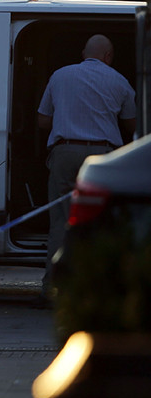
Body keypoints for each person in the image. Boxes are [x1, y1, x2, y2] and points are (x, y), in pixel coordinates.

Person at [36, 34, 136, 304]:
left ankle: (52, 289)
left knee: (60, 222)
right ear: (108, 56)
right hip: (103, 158)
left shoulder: (59, 76)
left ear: (84, 53)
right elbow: (132, 124)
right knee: (101, 222)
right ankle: (97, 291)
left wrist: (68, 116)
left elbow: (43, 120)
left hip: (65, 152)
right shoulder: (120, 81)